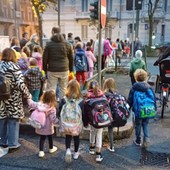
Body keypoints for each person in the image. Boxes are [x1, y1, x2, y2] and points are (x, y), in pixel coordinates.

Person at [0, 48, 31, 156]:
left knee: (2, 119)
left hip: (1, 98)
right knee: (13, 119)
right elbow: (20, 84)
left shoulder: (0, 65)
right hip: (13, 97)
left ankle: (3, 142)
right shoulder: (14, 67)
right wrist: (28, 95)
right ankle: (13, 144)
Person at [127, 69, 156, 147]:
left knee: (138, 125)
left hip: (138, 111)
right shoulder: (149, 88)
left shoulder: (134, 87)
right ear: (145, 78)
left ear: (135, 78)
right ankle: (146, 139)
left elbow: (130, 100)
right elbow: (154, 99)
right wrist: (154, 109)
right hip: (147, 109)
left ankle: (138, 140)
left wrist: (127, 109)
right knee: (145, 124)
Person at [43, 27, 74, 99]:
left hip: (52, 70)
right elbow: (71, 58)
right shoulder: (67, 44)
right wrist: (71, 70)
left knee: (51, 89)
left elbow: (45, 58)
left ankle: (51, 106)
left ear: (53, 32)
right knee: (63, 89)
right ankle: (62, 106)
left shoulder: (49, 44)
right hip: (64, 69)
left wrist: (45, 70)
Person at [28, 90, 59, 158]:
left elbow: (31, 104)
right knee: (50, 137)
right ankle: (51, 148)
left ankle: (41, 151)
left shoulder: (39, 104)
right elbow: (53, 119)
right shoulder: (52, 108)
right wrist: (58, 122)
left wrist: (29, 98)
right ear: (53, 99)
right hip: (48, 127)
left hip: (41, 126)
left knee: (42, 138)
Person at [59, 80, 83, 162]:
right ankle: (76, 153)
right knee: (76, 137)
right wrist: (86, 122)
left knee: (68, 137)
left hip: (66, 124)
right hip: (76, 124)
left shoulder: (64, 100)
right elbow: (83, 112)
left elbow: (59, 110)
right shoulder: (80, 101)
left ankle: (68, 150)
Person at [83, 80, 104, 162]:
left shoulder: (88, 96)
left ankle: (91, 148)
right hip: (100, 119)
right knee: (99, 134)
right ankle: (98, 154)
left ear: (89, 87)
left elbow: (85, 111)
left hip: (92, 119)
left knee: (92, 132)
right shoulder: (102, 95)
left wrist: (86, 122)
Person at [103, 78, 117, 152]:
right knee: (110, 129)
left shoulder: (104, 94)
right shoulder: (115, 93)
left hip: (106, 114)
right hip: (115, 114)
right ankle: (112, 146)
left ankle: (110, 146)